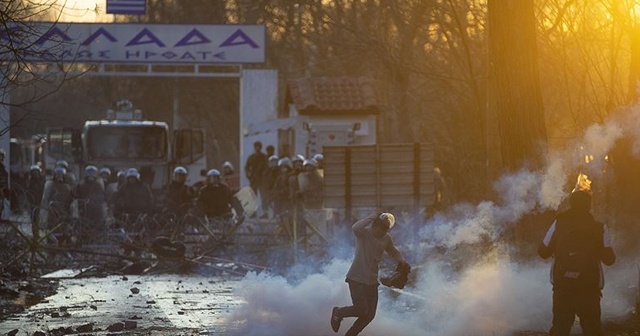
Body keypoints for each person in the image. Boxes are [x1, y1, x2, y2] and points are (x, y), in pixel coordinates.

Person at [538, 176, 616, 336]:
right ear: (589, 206)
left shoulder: (558, 222)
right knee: (592, 329)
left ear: (571, 204)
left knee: (560, 328)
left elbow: (542, 251)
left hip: (563, 288)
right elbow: (609, 260)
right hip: (589, 289)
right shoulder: (599, 227)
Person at [331, 213, 410, 336]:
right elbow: (355, 228)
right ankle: (339, 312)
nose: (383, 231)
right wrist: (373, 216)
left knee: (369, 315)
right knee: (361, 309)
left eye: (386, 229)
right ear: (374, 225)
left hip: (372, 281)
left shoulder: (386, 238)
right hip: (356, 278)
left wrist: (402, 262)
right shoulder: (363, 233)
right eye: (381, 227)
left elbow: (393, 251)